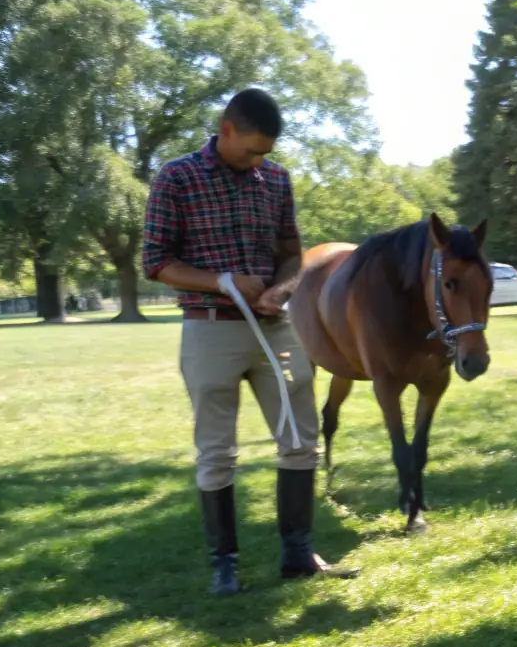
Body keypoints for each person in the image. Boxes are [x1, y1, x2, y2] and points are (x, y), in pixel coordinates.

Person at [143, 88, 358, 597]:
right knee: (216, 452)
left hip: (276, 330)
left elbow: (290, 252)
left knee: (300, 440)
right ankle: (225, 565)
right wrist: (222, 280)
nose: (259, 160)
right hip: (208, 329)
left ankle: (298, 555)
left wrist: (282, 288)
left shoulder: (276, 180)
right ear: (226, 130)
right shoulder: (177, 177)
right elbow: (156, 261)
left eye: (267, 152)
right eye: (252, 150)